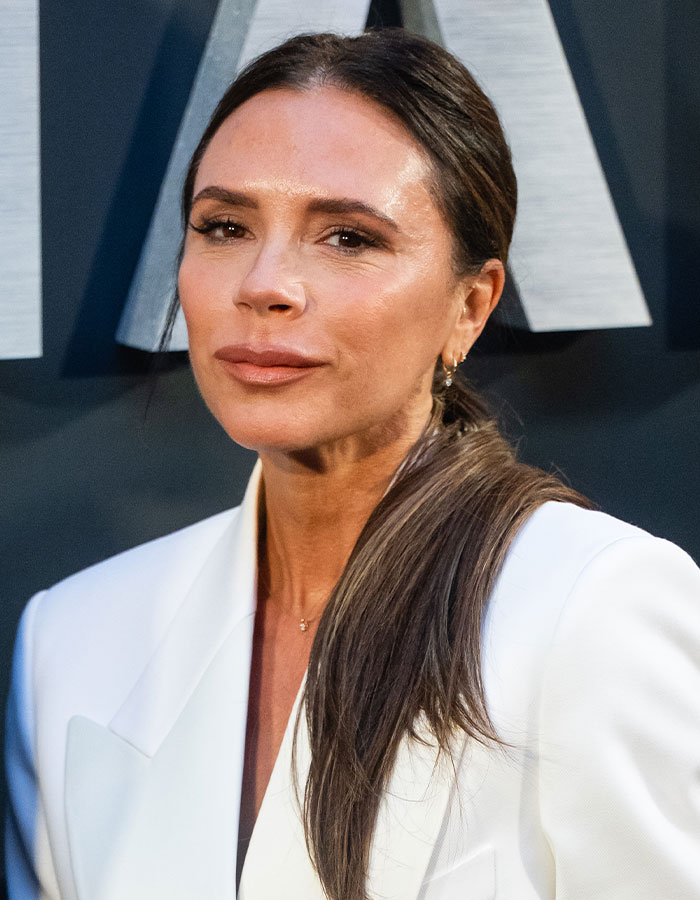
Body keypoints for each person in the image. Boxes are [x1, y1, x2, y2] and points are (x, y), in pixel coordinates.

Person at [6, 28, 700, 900]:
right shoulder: (72, 638)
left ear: (470, 306)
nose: (264, 283)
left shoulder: (592, 606)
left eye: (346, 238)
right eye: (224, 226)